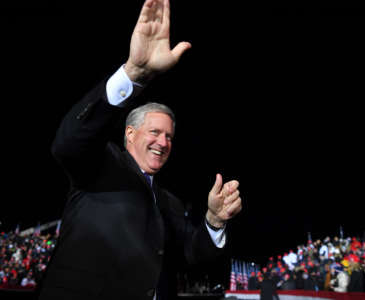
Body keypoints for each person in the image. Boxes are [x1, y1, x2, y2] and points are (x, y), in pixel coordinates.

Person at [37, 0, 242, 299]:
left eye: (170, 137)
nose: (163, 142)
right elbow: (69, 142)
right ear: (130, 134)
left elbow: (193, 254)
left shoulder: (169, 202)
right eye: (155, 132)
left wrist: (214, 221)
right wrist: (134, 73)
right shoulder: (100, 164)